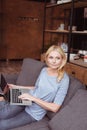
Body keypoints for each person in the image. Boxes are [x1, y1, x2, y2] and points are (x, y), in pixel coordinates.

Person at [0, 45, 69, 130]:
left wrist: (33, 98)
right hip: (26, 100)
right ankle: (3, 99)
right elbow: (36, 87)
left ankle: (2, 100)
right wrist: (17, 86)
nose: (54, 61)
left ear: (62, 60)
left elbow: (55, 108)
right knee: (2, 114)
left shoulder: (64, 79)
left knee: (2, 125)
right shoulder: (44, 70)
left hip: (34, 113)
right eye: (51, 57)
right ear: (47, 58)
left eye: (57, 58)